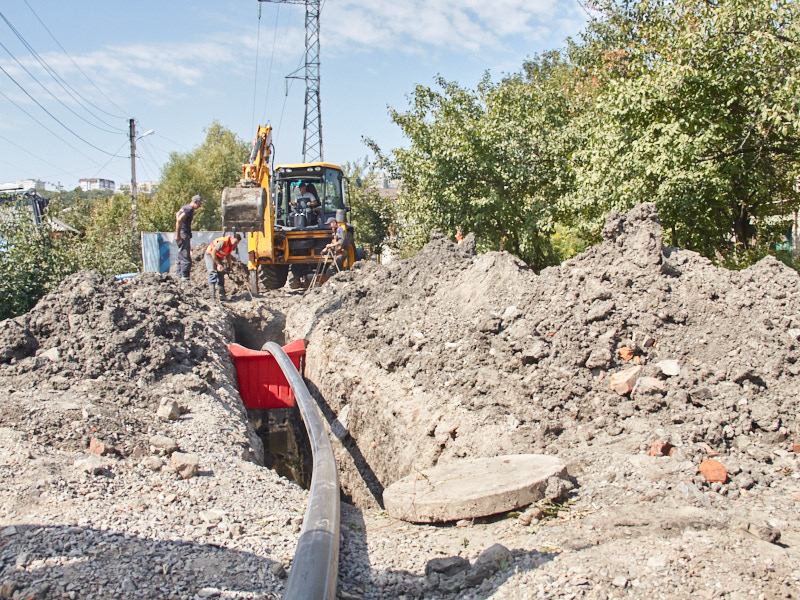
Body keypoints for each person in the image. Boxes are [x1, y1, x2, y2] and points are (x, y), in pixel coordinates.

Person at [204, 233, 242, 300]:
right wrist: (218, 264)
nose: (235, 244)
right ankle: (211, 295)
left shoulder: (231, 245)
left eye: (237, 243)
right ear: (231, 238)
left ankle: (222, 296)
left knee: (221, 273)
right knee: (213, 272)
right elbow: (213, 252)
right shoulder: (223, 242)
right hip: (210, 254)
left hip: (218, 256)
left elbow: (228, 255)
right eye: (235, 242)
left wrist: (230, 266)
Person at [175, 195, 203, 279]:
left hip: (182, 233)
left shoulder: (184, 207)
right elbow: (179, 220)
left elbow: (177, 215)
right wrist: (178, 235)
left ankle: (178, 276)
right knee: (185, 257)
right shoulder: (189, 209)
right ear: (194, 201)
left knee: (181, 255)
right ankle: (185, 278)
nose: (199, 206)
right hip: (184, 234)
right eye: (199, 204)